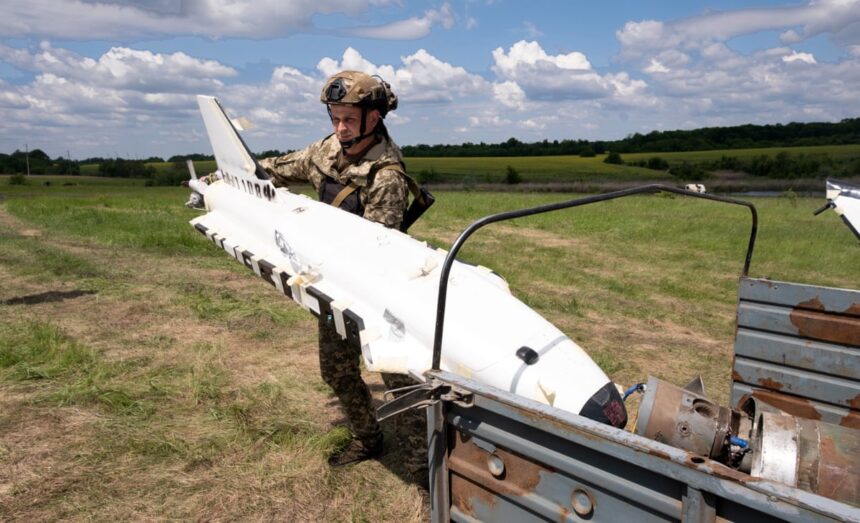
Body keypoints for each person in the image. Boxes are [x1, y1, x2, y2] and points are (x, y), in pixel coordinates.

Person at [256, 71, 428, 477]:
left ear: (374, 118)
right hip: (333, 282)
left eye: (349, 119)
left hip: (380, 294)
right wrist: (228, 178)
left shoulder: (386, 176)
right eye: (335, 117)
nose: (340, 128)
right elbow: (277, 169)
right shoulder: (327, 150)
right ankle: (367, 438)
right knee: (336, 371)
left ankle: (423, 464)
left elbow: (376, 251)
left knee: (399, 383)